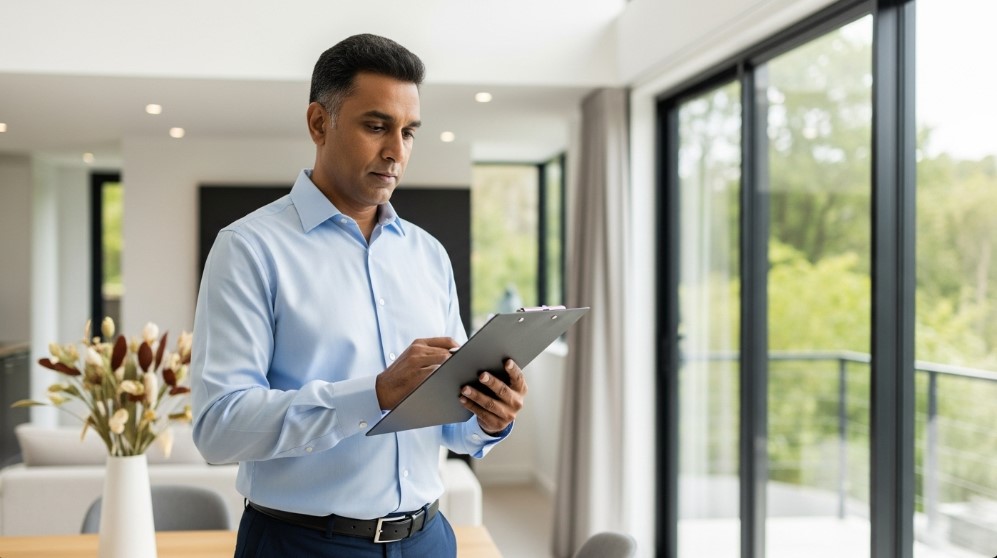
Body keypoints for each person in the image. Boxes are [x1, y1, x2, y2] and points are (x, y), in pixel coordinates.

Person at [190, 33, 527, 557]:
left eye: (409, 132)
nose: (396, 151)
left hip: (429, 540)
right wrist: (374, 394)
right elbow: (219, 428)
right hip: (301, 544)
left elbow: (451, 428)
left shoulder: (428, 254)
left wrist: (487, 417)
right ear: (319, 124)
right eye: (376, 126)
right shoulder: (249, 248)